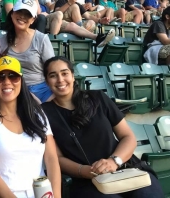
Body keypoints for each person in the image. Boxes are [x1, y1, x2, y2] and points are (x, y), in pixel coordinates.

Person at [41, 56, 164, 198]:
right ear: (46, 81)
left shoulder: (97, 98)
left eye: (64, 73)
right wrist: (84, 171)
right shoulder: (44, 113)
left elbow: (128, 137)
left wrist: (114, 161)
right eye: (53, 75)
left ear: (73, 76)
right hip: (87, 181)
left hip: (125, 168)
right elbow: (57, 157)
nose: (60, 80)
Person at [0, 56, 61, 198]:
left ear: (21, 80)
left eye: (13, 76)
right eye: (0, 77)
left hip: (41, 193)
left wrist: (56, 196)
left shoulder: (37, 115)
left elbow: (51, 158)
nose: (7, 82)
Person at [47, 10, 115, 46]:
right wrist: (69, 3)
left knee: (90, 22)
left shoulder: (77, 4)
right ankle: (53, 44)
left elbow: (88, 16)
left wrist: (100, 20)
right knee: (60, 13)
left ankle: (97, 38)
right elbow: (56, 10)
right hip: (47, 20)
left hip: (69, 24)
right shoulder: (63, 1)